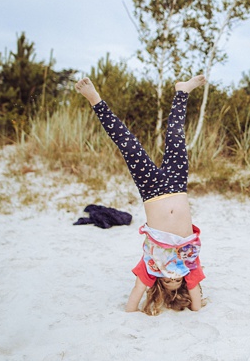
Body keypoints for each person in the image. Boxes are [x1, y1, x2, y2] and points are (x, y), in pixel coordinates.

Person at [76, 75, 208, 315]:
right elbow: (197, 304)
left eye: (167, 281)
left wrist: (135, 308)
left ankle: (95, 100)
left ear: (158, 281)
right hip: (178, 186)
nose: (172, 277)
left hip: (152, 191)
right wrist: (190, 295)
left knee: (127, 144)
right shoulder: (189, 264)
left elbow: (134, 300)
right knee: (176, 137)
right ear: (184, 283)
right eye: (175, 281)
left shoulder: (152, 265)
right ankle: (182, 91)